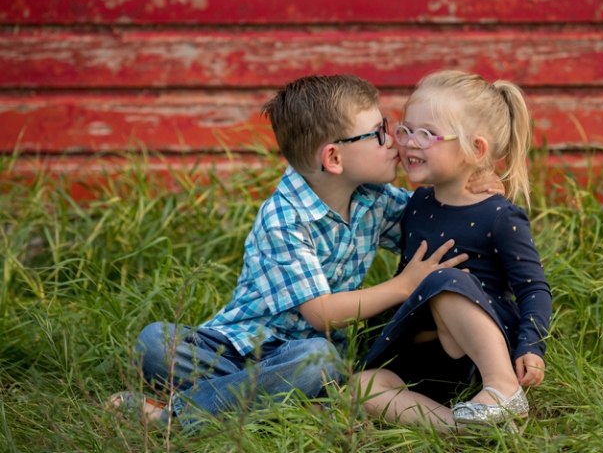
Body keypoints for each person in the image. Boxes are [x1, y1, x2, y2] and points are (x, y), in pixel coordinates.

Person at [107, 74, 499, 430]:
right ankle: (259, 401)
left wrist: (468, 186)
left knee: (315, 360)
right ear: (333, 158)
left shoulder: (373, 198)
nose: (394, 141)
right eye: (379, 133)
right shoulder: (284, 219)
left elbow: (430, 226)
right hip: (238, 348)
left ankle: (197, 408)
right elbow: (322, 313)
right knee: (154, 342)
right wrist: (403, 286)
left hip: (305, 355)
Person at [352, 70, 552, 432]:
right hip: (431, 348)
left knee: (443, 277)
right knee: (361, 387)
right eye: (406, 130)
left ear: (476, 150)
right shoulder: (417, 203)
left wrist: (531, 347)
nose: (410, 143)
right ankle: (463, 427)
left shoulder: (498, 215)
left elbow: (532, 288)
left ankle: (502, 388)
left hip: (484, 348)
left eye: (426, 134)